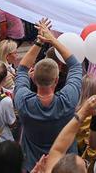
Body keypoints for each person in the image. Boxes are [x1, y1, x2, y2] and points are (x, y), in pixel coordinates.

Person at [14, 19, 82, 172]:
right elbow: (75, 65)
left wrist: (39, 42)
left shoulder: (24, 102)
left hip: (33, 166)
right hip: (64, 167)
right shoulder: (67, 101)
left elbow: (23, 69)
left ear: (34, 79)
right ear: (57, 80)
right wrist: (52, 40)